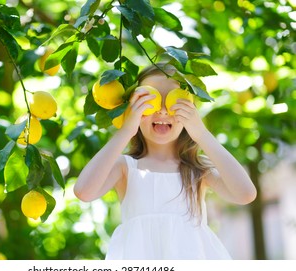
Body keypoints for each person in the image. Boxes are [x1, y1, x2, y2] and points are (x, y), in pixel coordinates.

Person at [74, 63, 257, 260]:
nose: (162, 111)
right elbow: (84, 191)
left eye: (172, 102)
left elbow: (245, 194)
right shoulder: (126, 167)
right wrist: (126, 130)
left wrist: (201, 133)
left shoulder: (197, 168)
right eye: (149, 100)